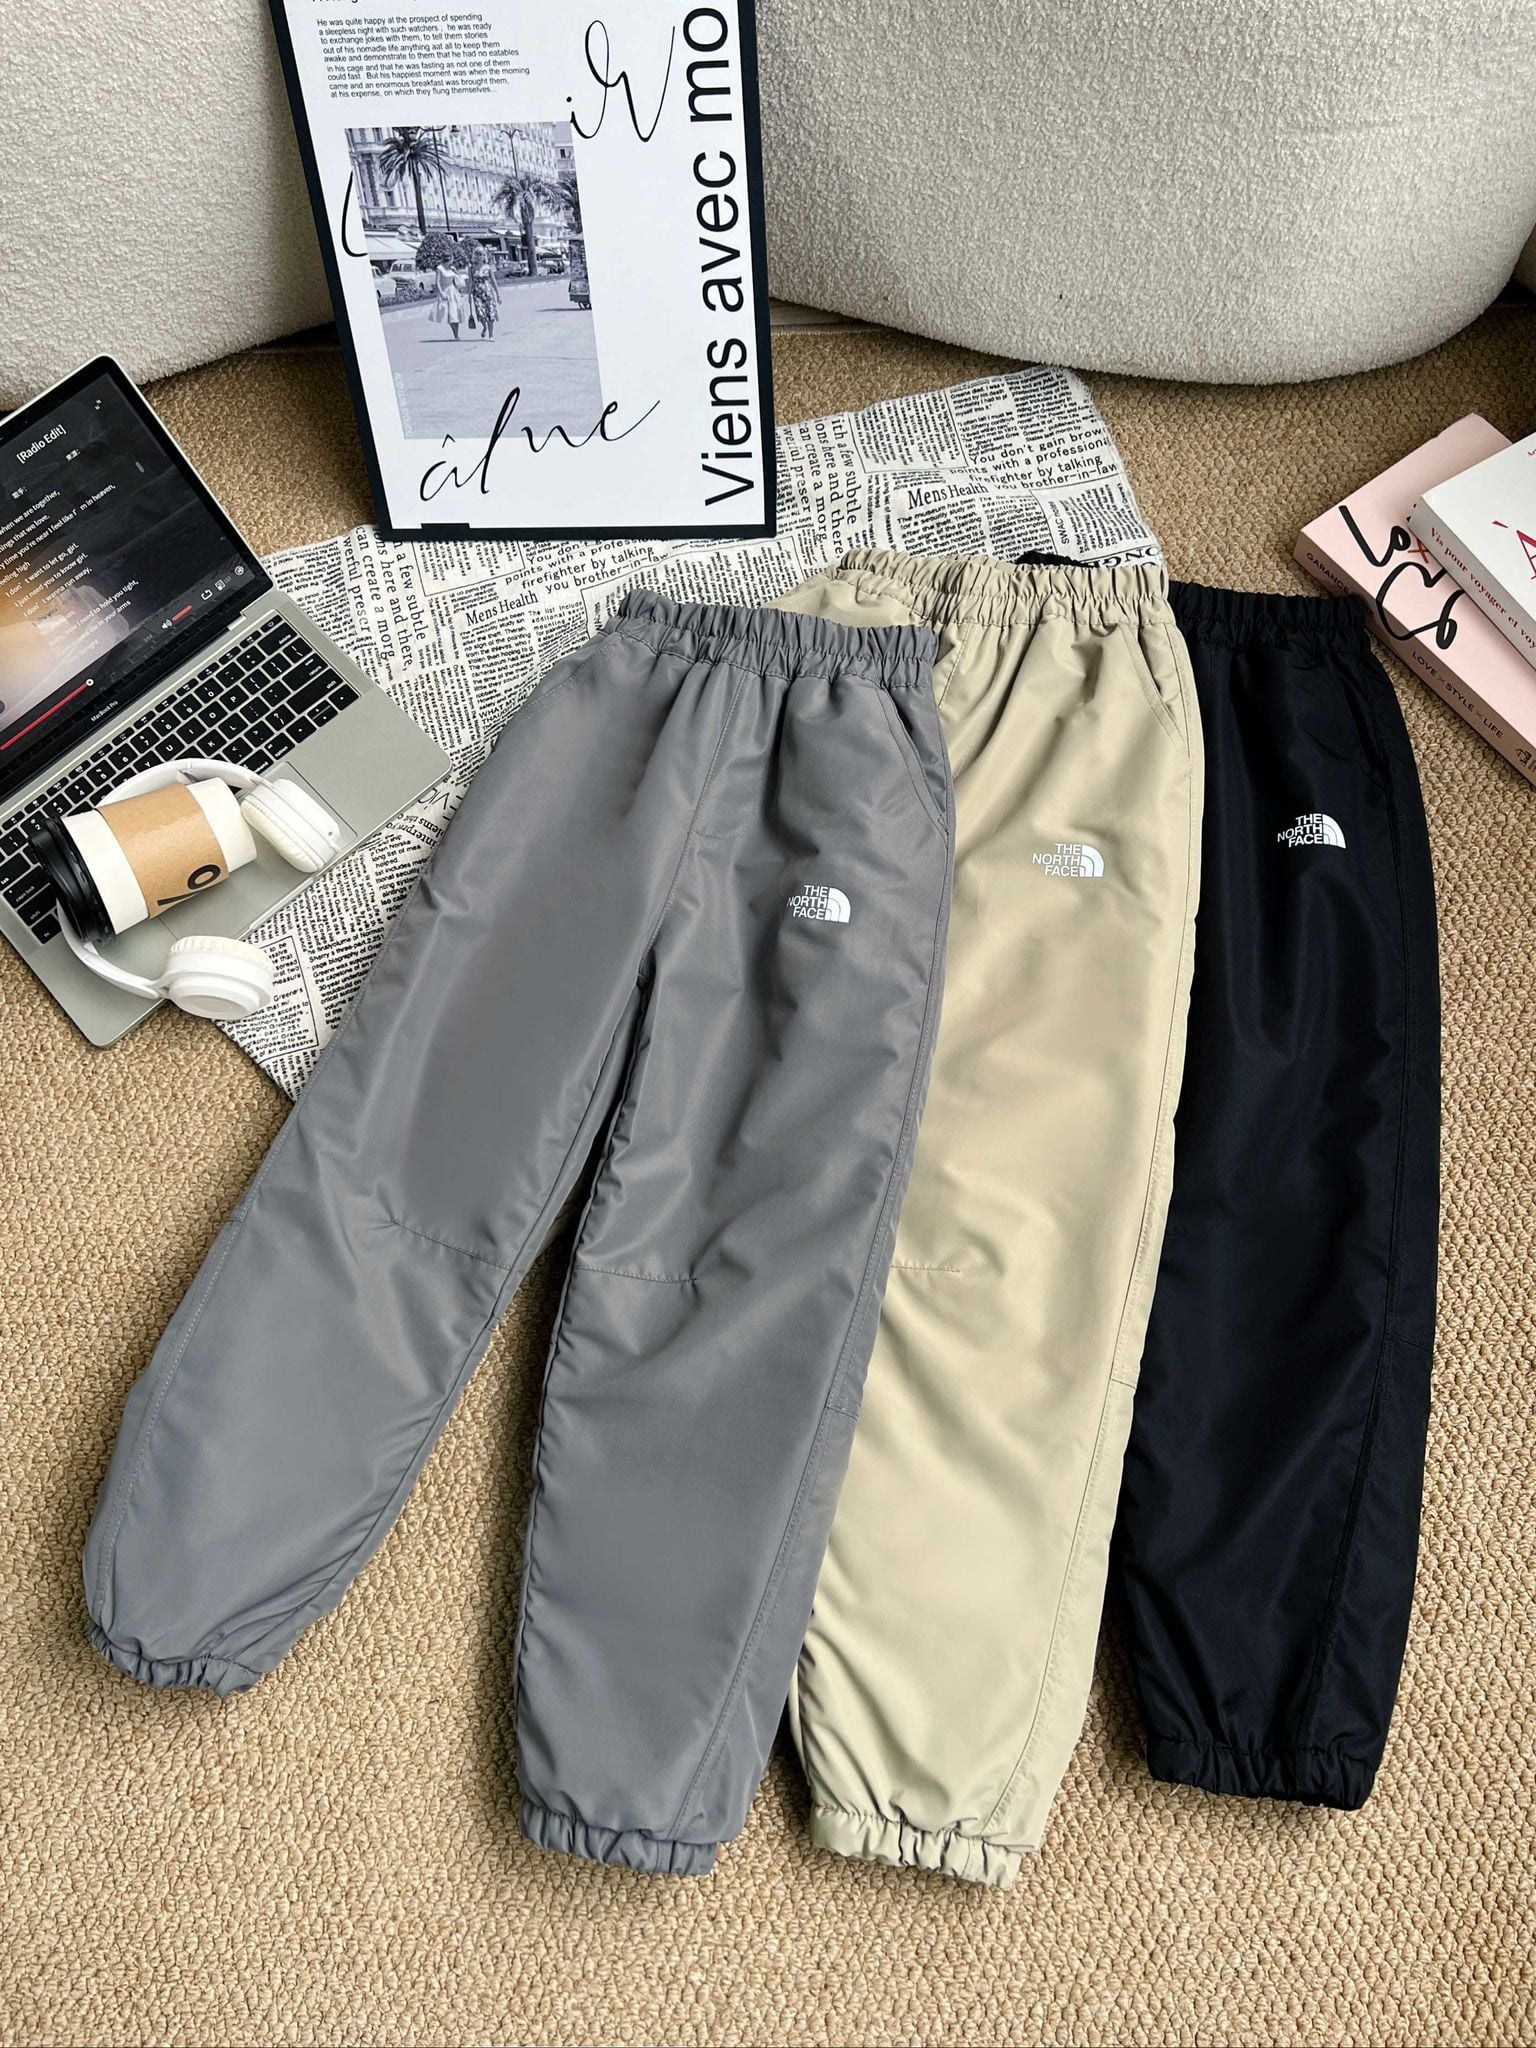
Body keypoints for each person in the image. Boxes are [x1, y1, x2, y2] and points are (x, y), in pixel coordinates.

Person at [434, 248, 469, 340]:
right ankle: (456, 335)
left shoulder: (452, 268)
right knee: (450, 314)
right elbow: (437, 282)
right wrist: (441, 292)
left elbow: (458, 279)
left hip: (454, 291)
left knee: (455, 312)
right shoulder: (439, 268)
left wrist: (456, 272)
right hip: (445, 291)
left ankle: (456, 334)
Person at [468, 245, 501, 341]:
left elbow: (493, 281)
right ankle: (484, 327)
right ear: (475, 255)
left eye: (483, 254)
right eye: (479, 254)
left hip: (488, 292)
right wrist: (469, 294)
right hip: (477, 293)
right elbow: (470, 281)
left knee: (490, 313)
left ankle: (491, 335)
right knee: (480, 313)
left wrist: (498, 295)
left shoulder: (488, 267)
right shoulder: (471, 268)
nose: (481, 256)